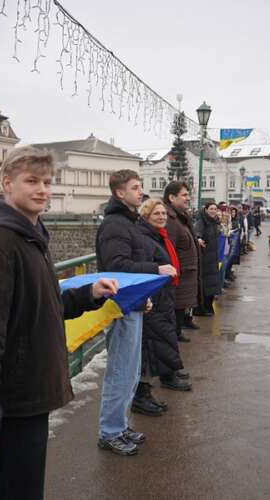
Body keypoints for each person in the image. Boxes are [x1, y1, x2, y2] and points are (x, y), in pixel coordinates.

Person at [0, 146, 118, 500]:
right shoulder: (1, 241)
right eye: (32, 181)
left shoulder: (32, 235)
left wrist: (89, 293)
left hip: (29, 391)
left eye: (48, 182)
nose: (43, 190)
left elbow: (42, 307)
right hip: (13, 400)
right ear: (6, 183)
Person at [95, 170, 176, 456]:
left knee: (130, 370)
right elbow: (116, 264)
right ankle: (109, 431)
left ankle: (119, 423)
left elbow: (131, 262)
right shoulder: (116, 225)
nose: (140, 192)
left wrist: (144, 297)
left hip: (133, 302)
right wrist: (156, 270)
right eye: (135, 187)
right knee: (120, 370)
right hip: (121, 305)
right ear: (120, 193)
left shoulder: (128, 223)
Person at [132, 199, 192, 416]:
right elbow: (142, 267)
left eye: (164, 214)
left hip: (163, 296)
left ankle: (161, 380)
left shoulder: (158, 236)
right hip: (153, 299)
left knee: (162, 339)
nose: (161, 217)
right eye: (156, 214)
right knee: (151, 346)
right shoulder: (145, 238)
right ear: (146, 216)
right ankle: (141, 395)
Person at [164, 181, 201, 340]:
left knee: (181, 305)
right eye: (184, 195)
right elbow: (168, 248)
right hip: (179, 273)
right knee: (177, 305)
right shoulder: (171, 219)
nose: (188, 198)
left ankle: (177, 331)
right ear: (172, 197)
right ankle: (175, 333)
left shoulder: (179, 216)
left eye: (188, 195)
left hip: (185, 271)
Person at [194, 203, 221, 316]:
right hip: (204, 258)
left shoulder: (214, 223)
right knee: (205, 284)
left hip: (213, 258)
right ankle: (201, 309)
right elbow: (197, 234)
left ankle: (208, 307)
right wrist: (199, 239)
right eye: (211, 209)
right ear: (206, 210)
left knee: (212, 284)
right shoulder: (201, 222)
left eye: (215, 209)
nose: (213, 211)